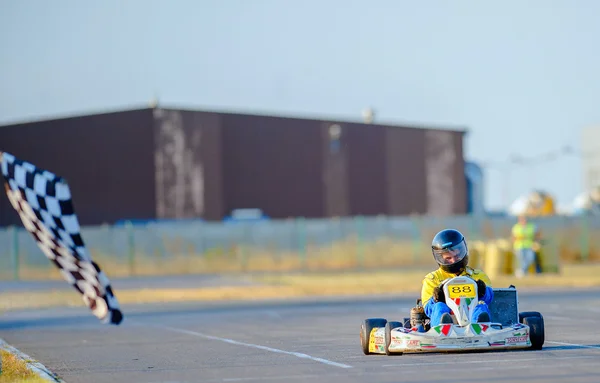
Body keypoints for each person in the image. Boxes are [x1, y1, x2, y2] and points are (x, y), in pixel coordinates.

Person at [421, 229, 494, 327]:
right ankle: (442, 329)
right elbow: (428, 309)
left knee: (480, 305)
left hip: (471, 314)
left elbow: (489, 298)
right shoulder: (432, 279)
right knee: (439, 306)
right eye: (448, 258)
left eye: (456, 256)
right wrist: (436, 299)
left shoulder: (477, 275)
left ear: (463, 251)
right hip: (448, 317)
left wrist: (482, 291)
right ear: (440, 258)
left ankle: (480, 327)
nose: (453, 261)